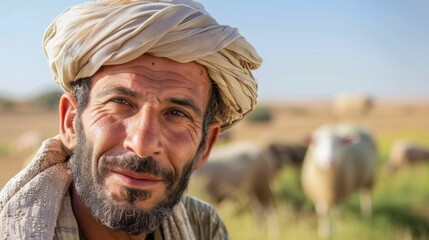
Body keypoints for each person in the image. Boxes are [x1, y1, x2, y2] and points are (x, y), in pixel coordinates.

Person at [0, 0, 262, 239]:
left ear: (205, 146)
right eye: (120, 103)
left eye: (177, 113)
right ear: (71, 122)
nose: (142, 144)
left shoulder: (204, 227)